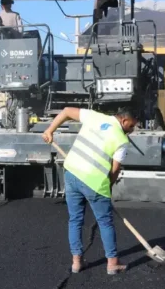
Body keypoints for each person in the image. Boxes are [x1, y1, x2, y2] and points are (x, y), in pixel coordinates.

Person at [42, 106, 138, 275]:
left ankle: (76, 263)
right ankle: (112, 263)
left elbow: (65, 111)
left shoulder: (94, 117)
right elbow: (114, 171)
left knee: (75, 220)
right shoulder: (121, 141)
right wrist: (107, 188)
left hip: (71, 173)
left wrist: (50, 130)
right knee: (105, 222)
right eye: (131, 126)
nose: (132, 130)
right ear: (124, 120)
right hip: (94, 181)